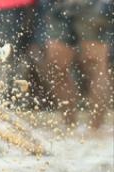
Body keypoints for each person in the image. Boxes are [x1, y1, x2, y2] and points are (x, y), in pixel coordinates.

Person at [35, 0, 111, 130]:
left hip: (95, 5)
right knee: (56, 66)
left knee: (95, 66)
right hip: (59, 5)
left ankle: (96, 128)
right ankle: (70, 125)